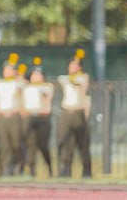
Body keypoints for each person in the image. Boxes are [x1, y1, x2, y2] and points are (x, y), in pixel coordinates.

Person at [56, 49, 92, 178]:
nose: (73, 67)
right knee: (66, 142)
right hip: (66, 112)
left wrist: (77, 68)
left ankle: (86, 170)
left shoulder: (83, 77)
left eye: (75, 65)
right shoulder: (64, 78)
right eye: (71, 65)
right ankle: (65, 169)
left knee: (82, 143)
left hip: (78, 113)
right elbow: (63, 79)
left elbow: (78, 82)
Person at [22, 58, 54, 178]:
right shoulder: (27, 88)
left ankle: (49, 167)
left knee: (43, 145)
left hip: (42, 119)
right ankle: (31, 169)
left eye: (38, 74)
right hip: (31, 118)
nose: (35, 77)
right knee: (31, 145)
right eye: (34, 75)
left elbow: (46, 100)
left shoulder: (46, 86)